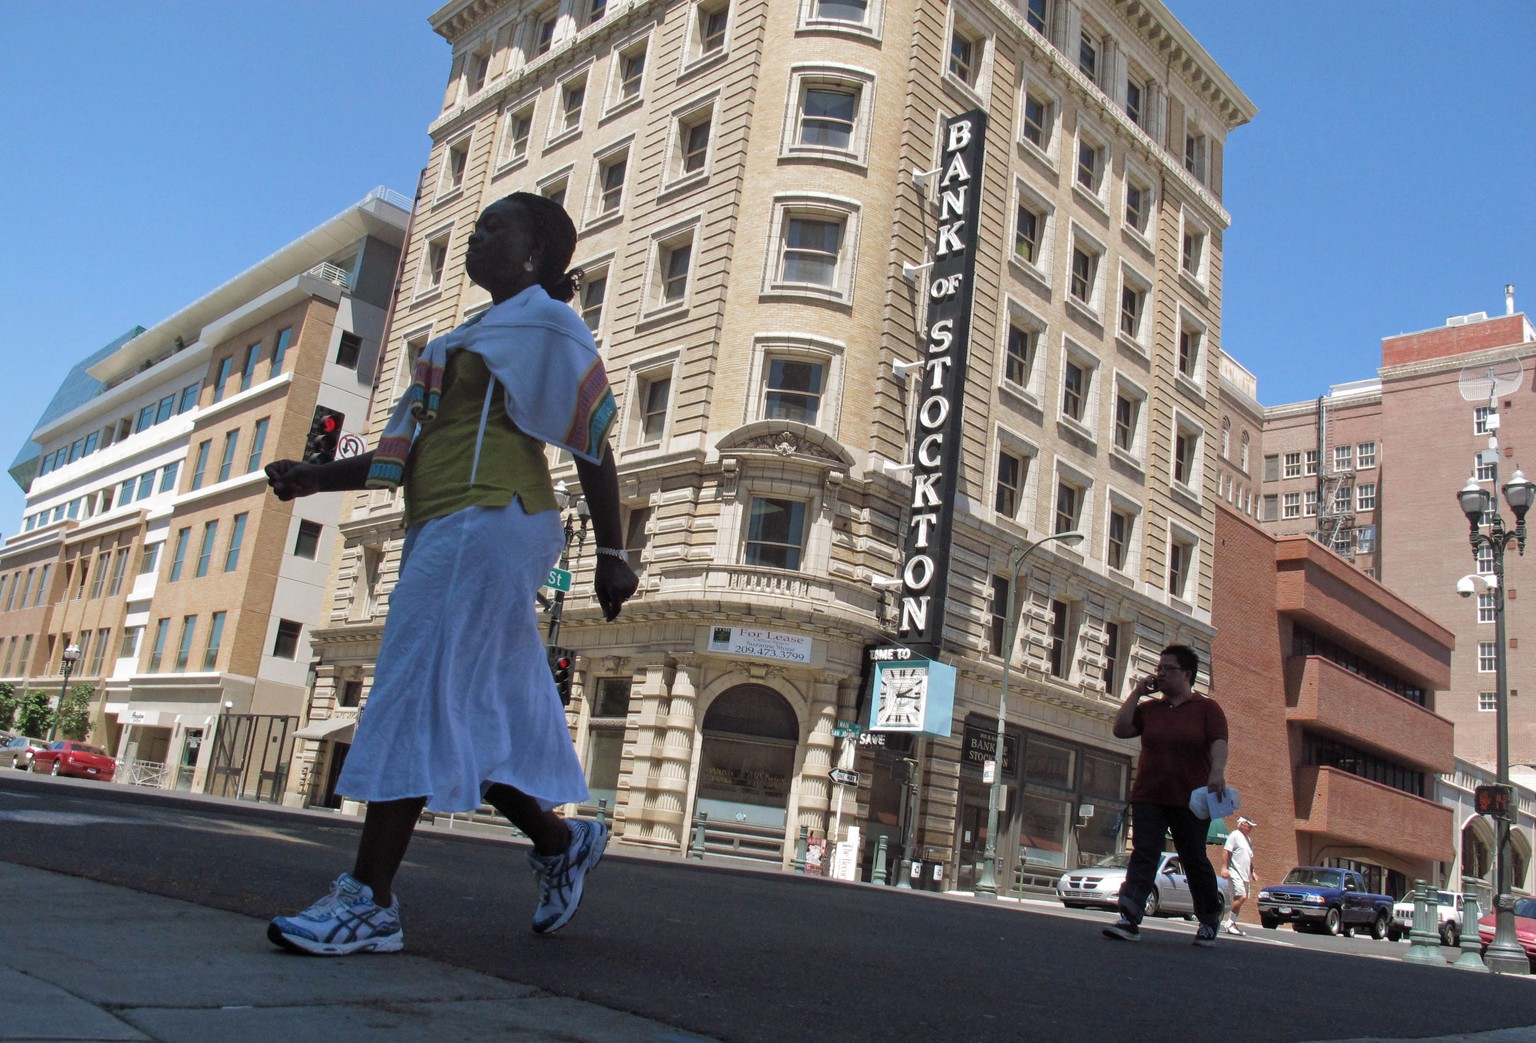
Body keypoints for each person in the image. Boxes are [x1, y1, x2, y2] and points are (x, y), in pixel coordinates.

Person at [265, 192, 638, 956]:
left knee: (411, 686)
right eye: (478, 223)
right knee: (466, 709)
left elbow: (592, 436)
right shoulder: (465, 336)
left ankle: (368, 901)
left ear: (535, 253)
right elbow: (405, 456)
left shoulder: (547, 324)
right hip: (450, 520)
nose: (476, 233)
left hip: (491, 517)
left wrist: (613, 550)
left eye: (495, 225)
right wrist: (310, 477)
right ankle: (558, 841)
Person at [1102, 643, 1229, 947]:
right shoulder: (1150, 709)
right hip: (1149, 794)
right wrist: (1136, 693)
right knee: (1144, 853)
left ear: (1187, 674)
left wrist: (1217, 772)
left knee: (1193, 858)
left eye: (1167, 669)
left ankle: (1209, 918)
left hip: (1191, 798)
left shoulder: (1207, 709)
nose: (1160, 674)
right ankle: (1129, 916)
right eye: (1158, 669)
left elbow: (1219, 742)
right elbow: (1120, 729)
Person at [1220, 816, 1256, 935]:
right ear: (1242, 824)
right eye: (1249, 825)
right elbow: (1226, 851)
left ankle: (1232, 923)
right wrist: (1224, 868)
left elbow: (1249, 858)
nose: (1250, 828)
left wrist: (1253, 872)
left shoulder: (1248, 840)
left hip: (1245, 875)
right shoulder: (1234, 835)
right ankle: (1229, 923)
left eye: (1251, 826)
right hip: (1235, 872)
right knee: (1241, 897)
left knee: (1240, 898)